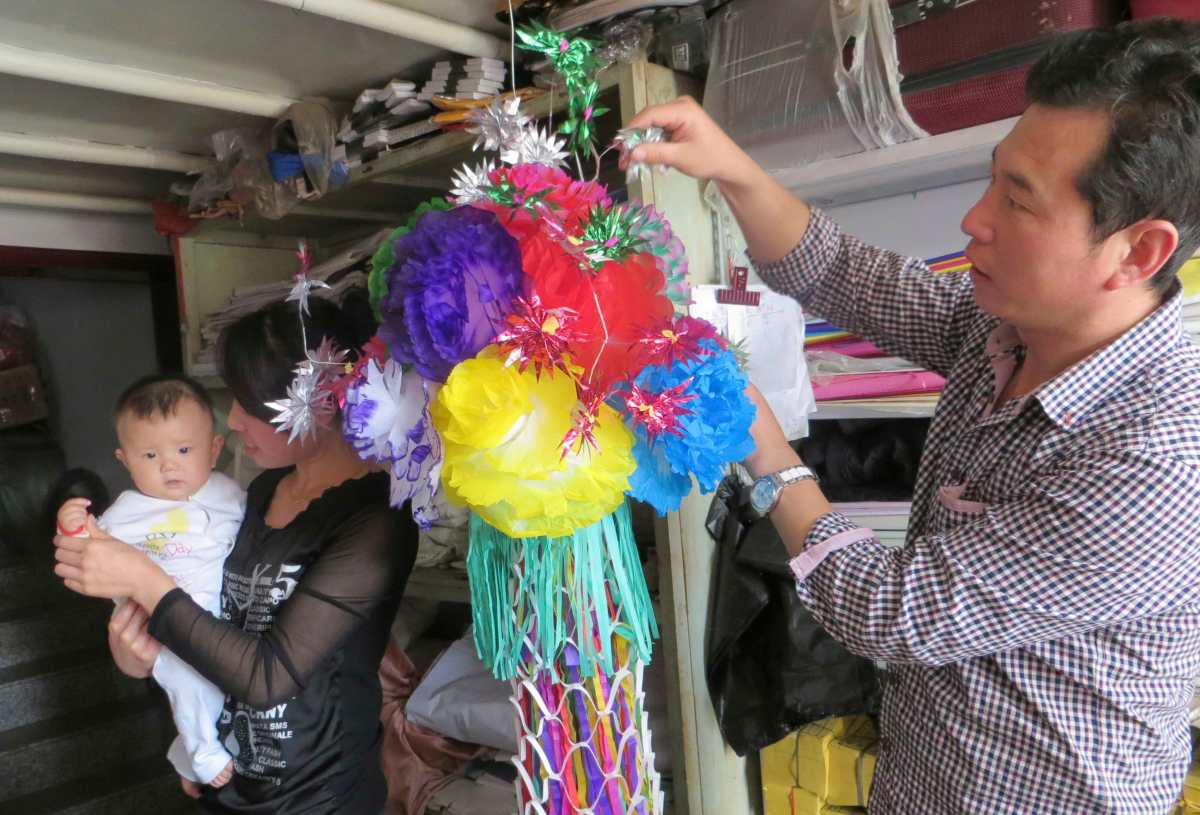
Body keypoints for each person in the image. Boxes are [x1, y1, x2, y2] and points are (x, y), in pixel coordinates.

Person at [625, 17, 1200, 815]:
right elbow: (846, 274)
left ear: (1138, 252)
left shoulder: (1158, 462)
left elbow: (892, 612)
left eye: (1019, 202)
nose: (976, 220)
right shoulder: (1009, 326)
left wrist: (760, 440)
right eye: (995, 179)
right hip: (921, 779)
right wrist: (731, 167)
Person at [54, 298, 418, 814]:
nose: (233, 419)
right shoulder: (261, 491)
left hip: (316, 800)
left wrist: (144, 580)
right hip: (230, 780)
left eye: (249, 402)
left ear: (321, 400)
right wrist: (135, 654)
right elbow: (212, 615)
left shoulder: (377, 521)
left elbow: (268, 675)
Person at [57, 374, 243, 789]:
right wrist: (72, 525)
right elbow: (87, 548)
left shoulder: (231, 495)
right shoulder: (125, 512)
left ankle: (186, 749)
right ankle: (203, 752)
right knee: (190, 681)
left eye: (183, 450)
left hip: (222, 612)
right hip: (158, 620)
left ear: (214, 449)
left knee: (226, 687)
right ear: (125, 461)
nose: (168, 465)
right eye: (150, 455)